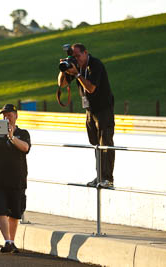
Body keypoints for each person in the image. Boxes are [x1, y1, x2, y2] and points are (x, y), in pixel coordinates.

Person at [58, 43, 115, 188]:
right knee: (95, 144)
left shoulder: (95, 65)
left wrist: (76, 74)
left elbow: (90, 88)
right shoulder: (76, 66)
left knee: (105, 144)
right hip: (90, 110)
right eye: (73, 56)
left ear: (85, 53)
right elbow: (61, 84)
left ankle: (107, 179)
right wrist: (64, 68)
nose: (76, 59)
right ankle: (100, 177)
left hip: (104, 109)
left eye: (78, 56)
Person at [0, 104, 31, 253]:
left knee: (15, 213)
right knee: (0, 210)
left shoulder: (23, 133)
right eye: (4, 115)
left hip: (17, 179)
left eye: (9, 115)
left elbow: (25, 148)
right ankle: (7, 240)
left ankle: (11, 241)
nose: (6, 118)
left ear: (16, 116)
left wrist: (11, 137)